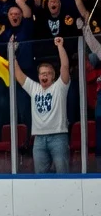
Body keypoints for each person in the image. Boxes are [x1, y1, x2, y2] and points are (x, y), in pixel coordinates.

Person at [13, 36, 71, 174]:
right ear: (38, 76)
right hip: (39, 139)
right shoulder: (35, 88)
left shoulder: (60, 87)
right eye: (42, 74)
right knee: (40, 179)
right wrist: (12, 53)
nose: (45, 76)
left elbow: (65, 66)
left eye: (48, 74)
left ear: (53, 76)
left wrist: (60, 47)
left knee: (63, 176)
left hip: (58, 137)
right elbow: (19, 75)